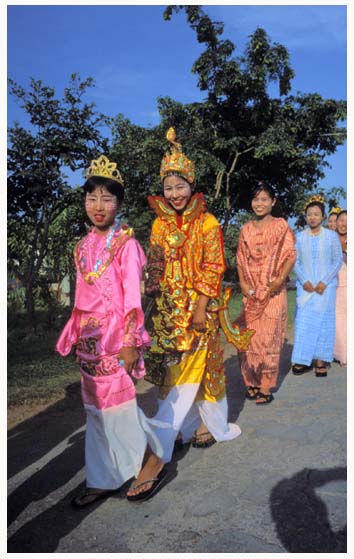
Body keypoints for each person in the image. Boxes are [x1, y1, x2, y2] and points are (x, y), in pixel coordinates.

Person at [56, 155, 166, 507]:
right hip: (88, 342)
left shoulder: (127, 245)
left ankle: (151, 458)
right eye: (91, 198)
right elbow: (81, 296)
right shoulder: (81, 247)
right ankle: (104, 476)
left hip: (118, 340)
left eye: (107, 198)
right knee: (95, 411)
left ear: (119, 203)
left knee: (120, 406)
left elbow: (133, 297)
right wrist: (74, 332)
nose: (98, 206)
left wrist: (131, 341)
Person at [145, 127, 243, 463]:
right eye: (168, 187)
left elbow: (214, 267)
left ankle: (207, 424)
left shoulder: (208, 223)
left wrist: (201, 307)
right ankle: (176, 426)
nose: (174, 193)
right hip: (170, 312)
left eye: (180, 186)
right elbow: (155, 263)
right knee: (174, 371)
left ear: (191, 185)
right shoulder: (159, 225)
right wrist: (152, 291)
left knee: (205, 367)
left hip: (200, 309)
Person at [236, 182, 296, 404]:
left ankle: (265, 386)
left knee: (269, 339)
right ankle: (250, 382)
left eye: (264, 199)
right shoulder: (245, 229)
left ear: (273, 202)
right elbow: (241, 259)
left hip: (273, 292)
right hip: (250, 292)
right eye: (255, 199)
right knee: (249, 338)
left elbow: (290, 255)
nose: (259, 204)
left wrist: (277, 281)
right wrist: (243, 283)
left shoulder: (281, 226)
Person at [291, 195, 343, 377]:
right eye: (309, 214)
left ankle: (321, 360)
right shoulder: (299, 237)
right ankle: (303, 359)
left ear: (322, 216)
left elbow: (337, 261)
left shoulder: (330, 236)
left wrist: (324, 282)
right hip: (305, 288)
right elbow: (294, 261)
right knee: (304, 322)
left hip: (325, 288)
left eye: (316, 214)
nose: (312, 217)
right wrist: (304, 280)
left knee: (323, 323)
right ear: (305, 217)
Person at [333, 210, 347, 366]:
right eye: (341, 220)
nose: (344, 224)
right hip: (335, 285)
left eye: (347, 221)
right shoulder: (330, 239)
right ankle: (342, 354)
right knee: (338, 320)